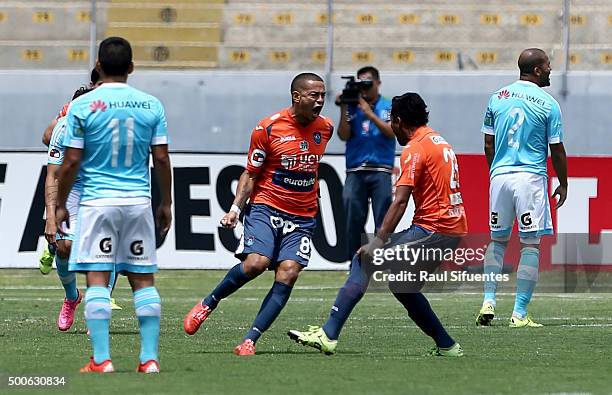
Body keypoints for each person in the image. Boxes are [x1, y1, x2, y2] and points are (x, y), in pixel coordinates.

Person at [288, 92, 467, 357]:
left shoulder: (415, 148)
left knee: (364, 259)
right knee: (402, 286)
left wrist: (379, 240)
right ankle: (447, 345)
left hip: (434, 228)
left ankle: (328, 333)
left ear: (397, 120)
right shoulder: (439, 141)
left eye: (391, 122)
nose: (392, 128)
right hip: (451, 228)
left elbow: (400, 201)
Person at [183, 72, 333, 356]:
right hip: (267, 206)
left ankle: (250, 340)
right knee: (256, 263)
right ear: (296, 96)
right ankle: (209, 303)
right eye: (314, 95)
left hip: (303, 216)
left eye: (323, 95)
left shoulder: (325, 128)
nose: (320, 101)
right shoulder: (269, 128)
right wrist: (235, 210)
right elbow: (251, 174)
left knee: (288, 274)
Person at [55, 36, 172, 373]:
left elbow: (72, 161)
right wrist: (165, 203)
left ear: (98, 66)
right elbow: (161, 159)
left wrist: (61, 203)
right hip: (138, 202)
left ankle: (101, 359)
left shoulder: (82, 106)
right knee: (143, 281)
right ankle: (149, 359)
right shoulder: (152, 105)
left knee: (96, 278)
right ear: (132, 68)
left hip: (96, 203)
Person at [476, 48, 567, 328]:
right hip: (529, 178)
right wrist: (563, 181)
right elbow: (557, 149)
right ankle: (519, 313)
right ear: (537, 70)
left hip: (500, 177)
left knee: (497, 241)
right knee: (530, 244)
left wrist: (495, 172)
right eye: (548, 65)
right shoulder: (548, 103)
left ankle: (488, 301)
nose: (551, 70)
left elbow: (488, 144)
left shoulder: (498, 97)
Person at [41, 78, 123, 312]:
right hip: (74, 187)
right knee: (64, 246)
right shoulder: (63, 127)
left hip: (102, 184)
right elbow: (53, 175)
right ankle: (71, 297)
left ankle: (100, 304)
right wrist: (50, 216)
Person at [337, 66, 394, 259]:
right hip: (355, 169)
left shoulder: (388, 105)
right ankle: (356, 260)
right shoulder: (352, 106)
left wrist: (369, 113)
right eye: (361, 85)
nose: (365, 89)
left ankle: (383, 260)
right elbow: (344, 135)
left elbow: (391, 132)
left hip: (381, 169)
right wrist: (345, 106)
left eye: (368, 84)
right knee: (353, 217)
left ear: (378, 83)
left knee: (384, 219)